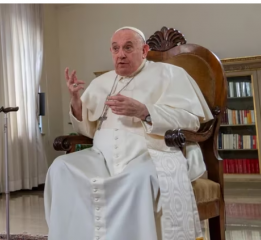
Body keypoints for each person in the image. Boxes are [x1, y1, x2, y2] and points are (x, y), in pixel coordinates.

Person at [44, 26, 213, 240]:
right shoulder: (101, 82)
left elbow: (191, 121)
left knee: (139, 179)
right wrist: (77, 102)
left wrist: (145, 112)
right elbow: (87, 130)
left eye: (128, 47)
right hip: (102, 157)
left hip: (151, 152)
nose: (120, 54)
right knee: (61, 167)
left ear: (144, 50)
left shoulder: (170, 74)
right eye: (115, 48)